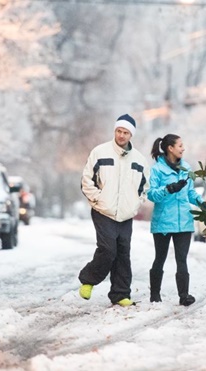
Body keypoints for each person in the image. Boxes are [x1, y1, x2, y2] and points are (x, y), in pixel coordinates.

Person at [78, 114, 150, 307]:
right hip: (103, 211)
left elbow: (144, 187)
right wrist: (98, 200)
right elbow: (87, 181)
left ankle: (120, 294)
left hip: (126, 214)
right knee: (108, 250)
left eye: (125, 132)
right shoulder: (100, 152)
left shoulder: (140, 160)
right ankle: (88, 279)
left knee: (123, 253)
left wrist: (135, 204)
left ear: (131, 135)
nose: (121, 135)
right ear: (115, 131)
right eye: (119, 131)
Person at [147, 134, 206, 306]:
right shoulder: (157, 169)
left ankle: (184, 296)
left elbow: (190, 192)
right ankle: (154, 295)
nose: (183, 148)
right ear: (170, 148)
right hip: (163, 223)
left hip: (184, 221)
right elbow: (152, 194)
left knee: (181, 259)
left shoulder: (187, 168)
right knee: (159, 258)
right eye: (180, 145)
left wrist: (202, 203)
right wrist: (169, 188)